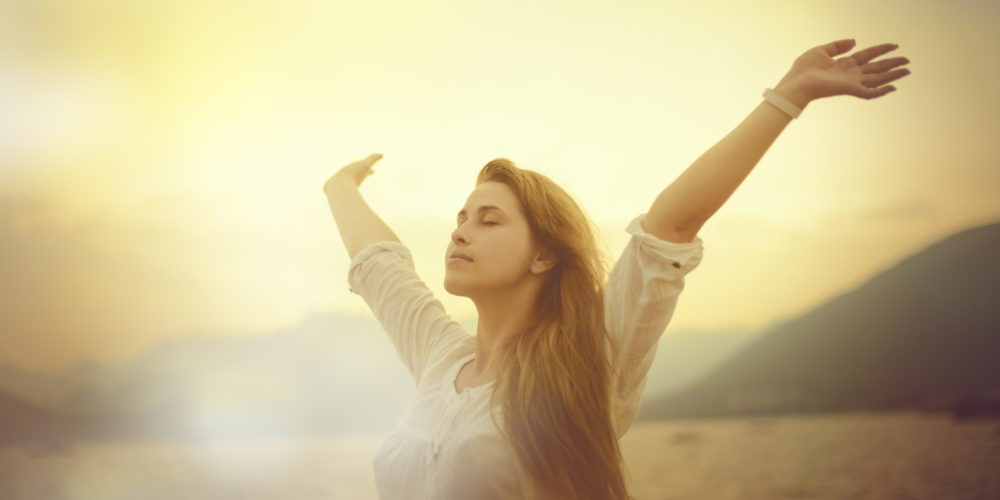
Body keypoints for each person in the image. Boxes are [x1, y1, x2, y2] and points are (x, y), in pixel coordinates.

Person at [323, 38, 910, 500]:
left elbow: (669, 229)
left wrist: (788, 96)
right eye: (461, 216)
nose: (460, 230)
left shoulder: (586, 360)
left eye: (489, 220)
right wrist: (339, 187)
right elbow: (382, 269)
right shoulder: (440, 359)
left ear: (544, 254)